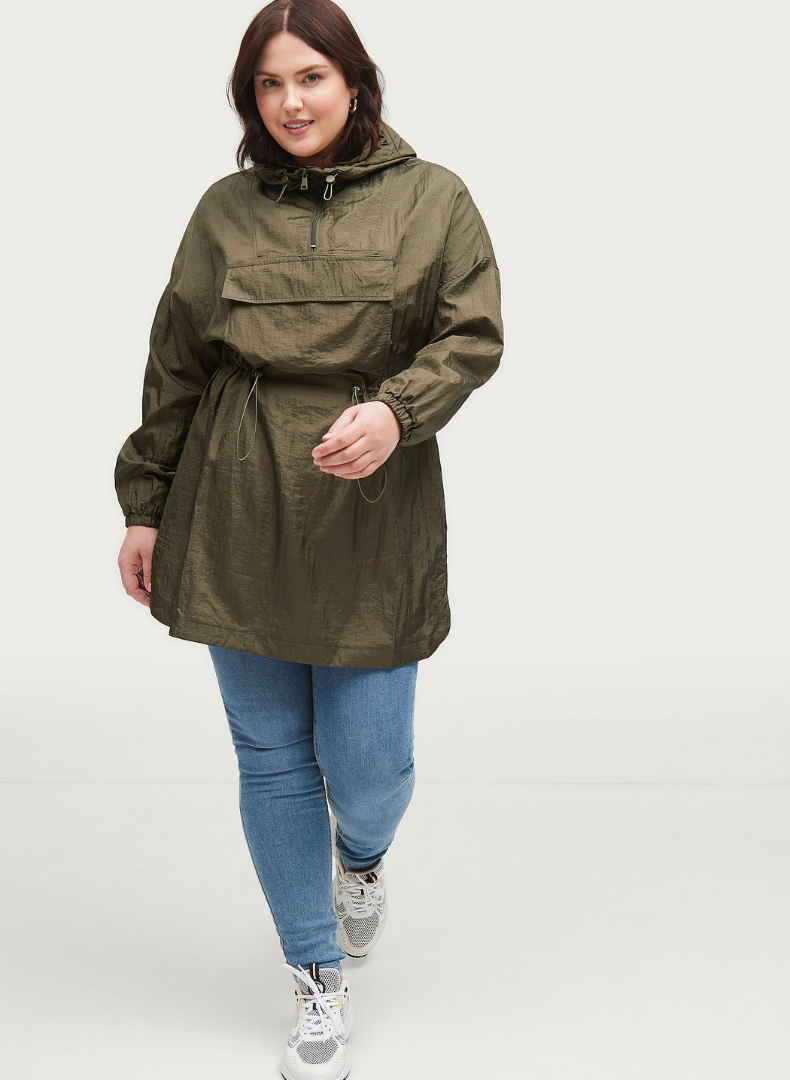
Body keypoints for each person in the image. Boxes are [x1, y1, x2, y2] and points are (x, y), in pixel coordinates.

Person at [114, 2, 504, 1077]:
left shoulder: (434, 198)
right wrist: (145, 505)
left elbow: (471, 334)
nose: (290, 102)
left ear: (355, 82)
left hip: (370, 505)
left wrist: (398, 413)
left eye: (311, 77)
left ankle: (361, 857)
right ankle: (314, 972)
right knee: (272, 755)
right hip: (234, 498)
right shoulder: (224, 210)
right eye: (268, 83)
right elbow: (176, 362)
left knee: (369, 765)